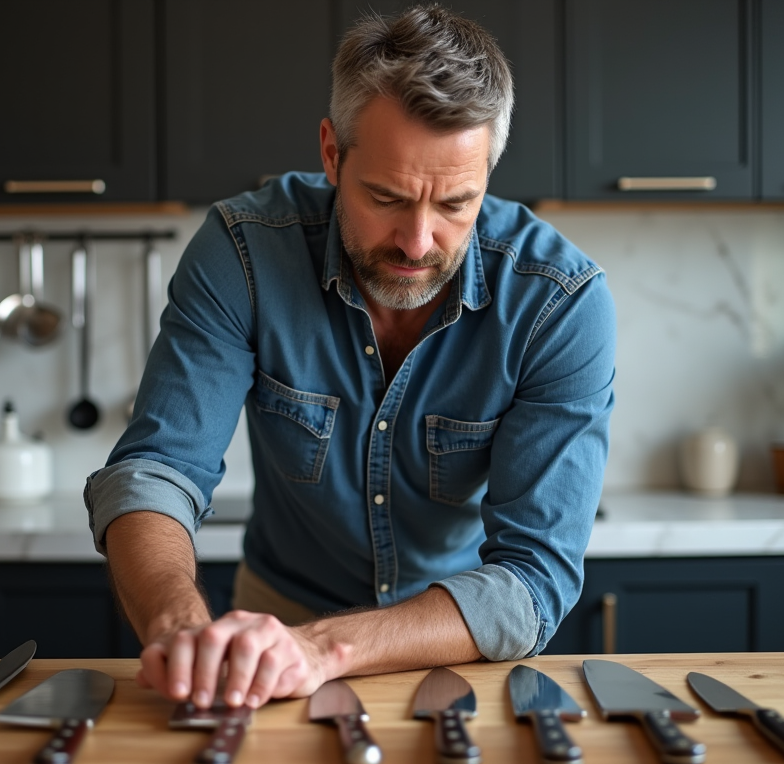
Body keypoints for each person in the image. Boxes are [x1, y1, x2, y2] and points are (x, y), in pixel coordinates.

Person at [84, 4, 615, 712]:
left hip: (449, 640)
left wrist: (325, 650)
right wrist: (183, 630)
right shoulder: (244, 251)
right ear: (332, 153)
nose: (419, 242)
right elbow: (156, 470)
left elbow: (534, 577)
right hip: (276, 625)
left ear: (489, 171)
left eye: (456, 203)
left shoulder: (559, 301)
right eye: (387, 198)